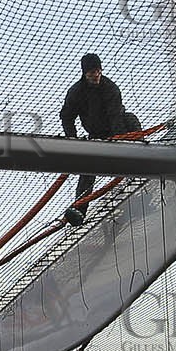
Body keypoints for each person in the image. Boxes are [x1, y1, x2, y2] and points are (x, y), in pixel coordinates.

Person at [59, 54, 135, 224]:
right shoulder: (76, 92)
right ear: (85, 73)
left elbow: (115, 115)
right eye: (92, 72)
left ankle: (139, 159)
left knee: (130, 118)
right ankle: (79, 210)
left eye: (98, 71)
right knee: (87, 170)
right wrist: (73, 141)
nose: (96, 75)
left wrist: (119, 140)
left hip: (117, 130)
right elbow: (67, 116)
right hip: (95, 135)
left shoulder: (110, 88)